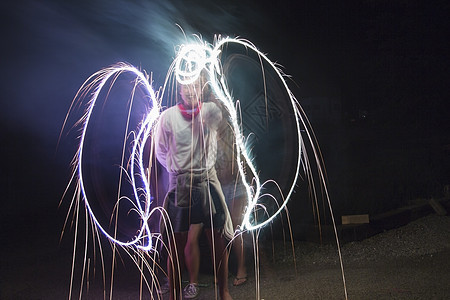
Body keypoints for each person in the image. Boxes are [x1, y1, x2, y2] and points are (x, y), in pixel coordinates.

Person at [154, 72, 233, 300]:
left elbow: (223, 118)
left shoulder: (210, 110)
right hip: (180, 183)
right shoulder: (167, 117)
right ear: (179, 89)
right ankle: (175, 295)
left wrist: (209, 73)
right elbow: (160, 150)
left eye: (196, 86)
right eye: (186, 87)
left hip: (207, 180)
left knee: (217, 238)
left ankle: (224, 291)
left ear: (202, 88)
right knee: (176, 242)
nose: (191, 91)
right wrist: (176, 170)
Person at [216, 118, 248, 287]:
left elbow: (241, 161)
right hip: (217, 187)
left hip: (235, 186)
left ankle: (242, 268)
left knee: (236, 227)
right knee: (219, 229)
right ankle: (223, 269)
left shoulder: (232, 134)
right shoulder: (205, 135)